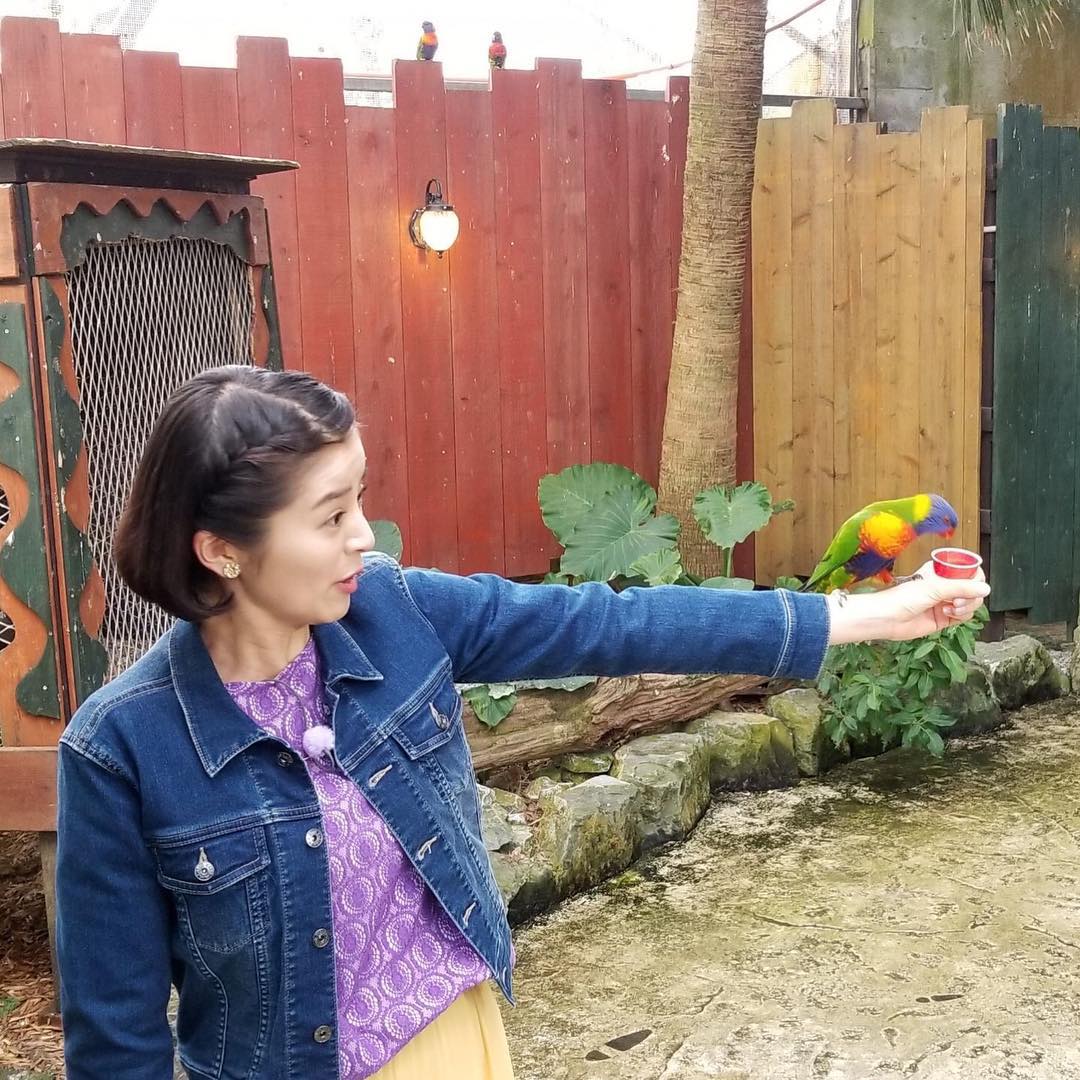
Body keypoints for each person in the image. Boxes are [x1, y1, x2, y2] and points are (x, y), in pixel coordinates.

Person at [54, 366, 990, 1079]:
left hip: (454, 1039)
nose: (365, 538)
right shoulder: (122, 747)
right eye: (331, 515)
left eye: (362, 500)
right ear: (221, 550)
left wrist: (859, 616)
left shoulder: (396, 611)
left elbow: (608, 622)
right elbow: (117, 1033)